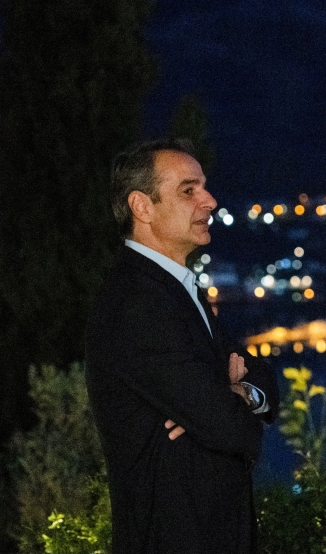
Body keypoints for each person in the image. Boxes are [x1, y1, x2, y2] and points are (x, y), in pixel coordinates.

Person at [85, 139, 278, 554]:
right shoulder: (138, 304)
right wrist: (227, 404)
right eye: (188, 190)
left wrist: (239, 393)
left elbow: (263, 382)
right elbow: (235, 430)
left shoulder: (175, 292)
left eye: (204, 187)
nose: (209, 200)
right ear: (143, 207)